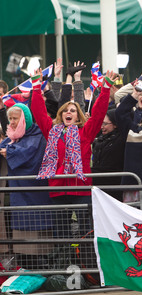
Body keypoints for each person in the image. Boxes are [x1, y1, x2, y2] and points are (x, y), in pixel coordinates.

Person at [30, 68, 117, 238]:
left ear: (78, 116)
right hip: (58, 190)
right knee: (61, 233)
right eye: (65, 110)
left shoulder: (86, 132)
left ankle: (84, 263)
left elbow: (99, 113)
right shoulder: (52, 131)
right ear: (60, 115)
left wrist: (105, 88)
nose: (68, 113)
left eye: (72, 110)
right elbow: (39, 112)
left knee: (85, 232)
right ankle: (63, 262)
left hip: (81, 190)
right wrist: (35, 86)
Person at [0, 102, 52, 267]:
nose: (12, 122)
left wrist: (10, 152)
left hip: (31, 196)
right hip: (13, 193)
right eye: (10, 119)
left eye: (16, 118)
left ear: (25, 119)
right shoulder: (13, 137)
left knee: (34, 241)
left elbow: (29, 156)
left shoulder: (38, 136)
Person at [91, 109, 126, 201]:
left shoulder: (121, 138)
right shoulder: (100, 139)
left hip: (114, 186)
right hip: (98, 186)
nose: (102, 127)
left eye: (105, 124)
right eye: (102, 124)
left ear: (115, 124)